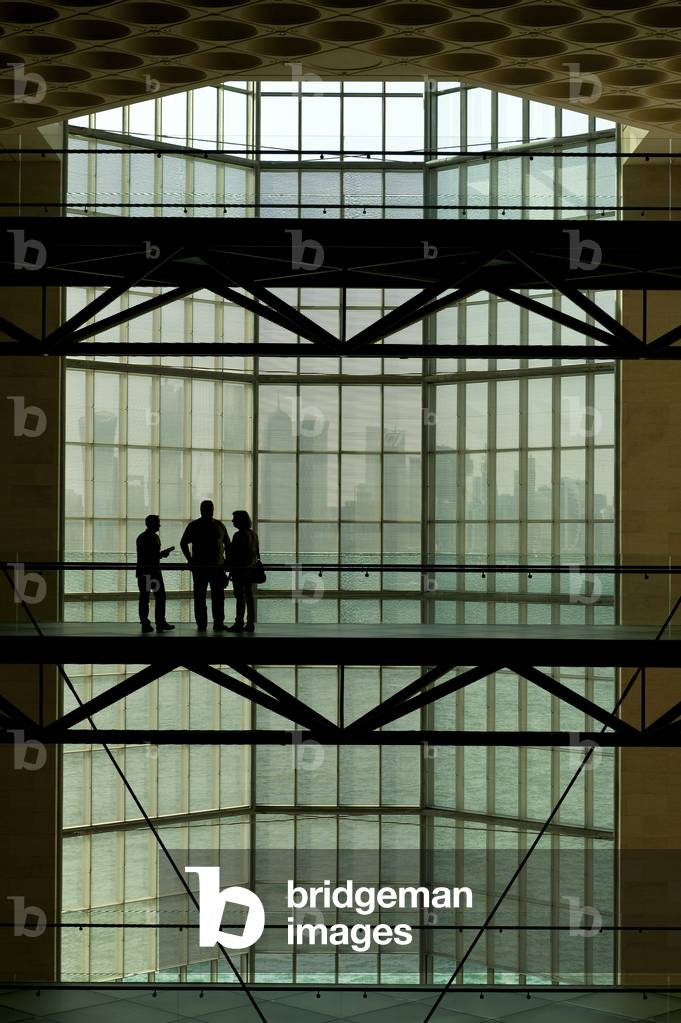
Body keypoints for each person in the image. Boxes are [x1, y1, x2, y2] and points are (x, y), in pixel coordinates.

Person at [180, 500, 230, 632]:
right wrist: (226, 562)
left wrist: (190, 561)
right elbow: (228, 545)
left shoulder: (195, 525)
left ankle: (202, 624)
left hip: (200, 567)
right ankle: (218, 623)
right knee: (217, 597)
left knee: (200, 597)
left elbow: (183, 543)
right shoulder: (219, 525)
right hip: (216, 567)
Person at [135, 514, 175, 633]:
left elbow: (146, 556)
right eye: (158, 522)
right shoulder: (154, 538)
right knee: (160, 597)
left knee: (144, 598)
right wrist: (162, 554)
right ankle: (160, 622)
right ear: (152, 524)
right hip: (153, 573)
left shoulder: (141, 537)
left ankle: (145, 623)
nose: (159, 525)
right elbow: (152, 556)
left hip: (144, 572)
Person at [226, 510, 259, 633]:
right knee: (249, 596)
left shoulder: (238, 535)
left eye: (235, 519)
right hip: (251, 569)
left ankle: (239, 622)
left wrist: (230, 571)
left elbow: (235, 555)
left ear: (240, 520)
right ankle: (250, 623)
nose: (233, 521)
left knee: (240, 597)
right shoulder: (253, 534)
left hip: (239, 571)